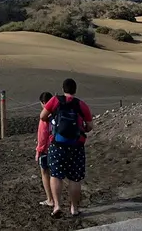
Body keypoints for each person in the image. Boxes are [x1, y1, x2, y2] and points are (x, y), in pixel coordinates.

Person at [40, 78, 94, 219]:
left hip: (57, 145)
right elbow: (90, 126)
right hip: (76, 146)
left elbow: (42, 116)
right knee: (75, 178)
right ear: (75, 90)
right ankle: (74, 208)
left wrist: (53, 120)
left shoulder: (55, 101)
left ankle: (57, 205)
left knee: (56, 175)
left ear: (63, 89)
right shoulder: (81, 105)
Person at [35, 91, 54, 207]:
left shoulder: (44, 117)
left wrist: (39, 150)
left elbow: (42, 136)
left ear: (43, 103)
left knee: (45, 173)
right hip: (57, 147)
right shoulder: (56, 114)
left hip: (46, 149)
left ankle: (50, 199)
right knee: (56, 174)